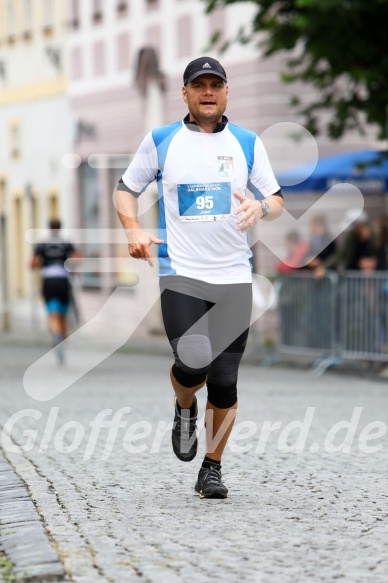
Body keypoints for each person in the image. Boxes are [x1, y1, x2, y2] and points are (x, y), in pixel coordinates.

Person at [116, 56, 284, 499]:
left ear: (227, 92)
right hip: (182, 274)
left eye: (216, 84)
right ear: (186, 94)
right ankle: (184, 405)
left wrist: (260, 207)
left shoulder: (247, 142)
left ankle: (211, 467)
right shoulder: (162, 141)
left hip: (233, 277)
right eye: (199, 85)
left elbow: (276, 198)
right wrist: (133, 229)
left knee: (225, 380)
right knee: (193, 364)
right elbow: (125, 189)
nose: (208, 91)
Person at [31, 218, 79, 363]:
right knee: (63, 315)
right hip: (63, 281)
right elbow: (77, 258)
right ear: (60, 227)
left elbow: (32, 263)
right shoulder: (66, 243)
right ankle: (62, 340)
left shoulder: (42, 244)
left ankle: (56, 334)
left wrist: (39, 265)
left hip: (48, 281)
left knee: (53, 313)